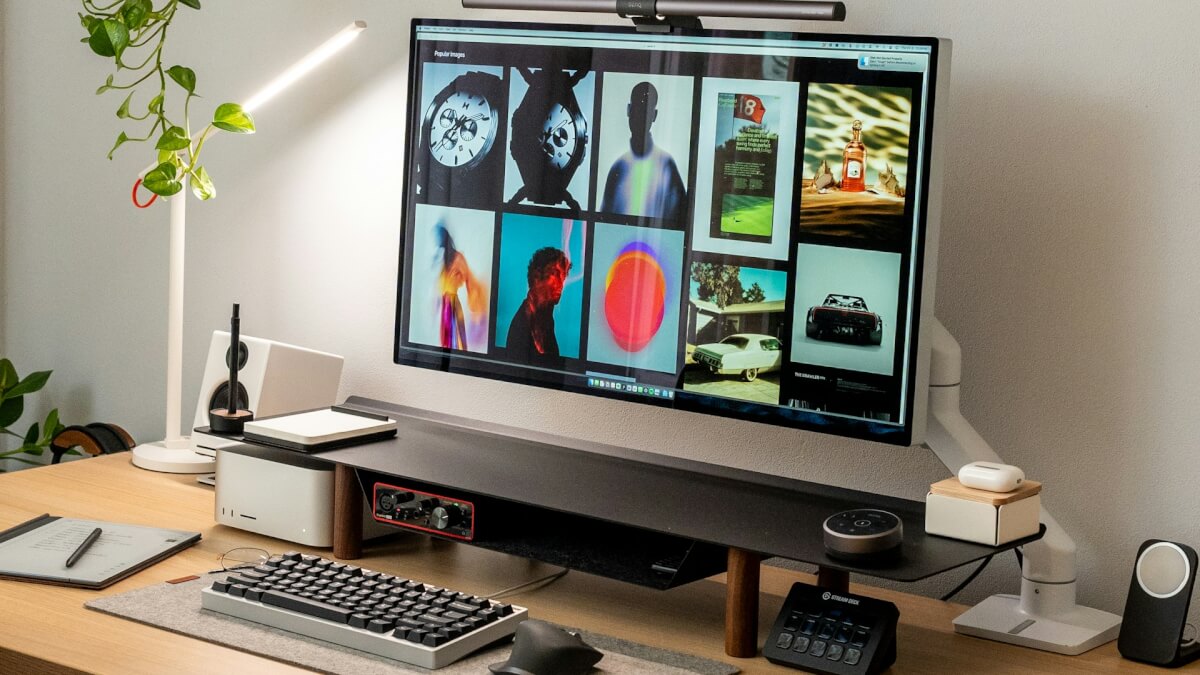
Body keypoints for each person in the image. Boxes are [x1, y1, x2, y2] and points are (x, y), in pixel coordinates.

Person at [600, 82, 687, 223]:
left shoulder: (667, 166)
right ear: (629, 110)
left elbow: (682, 221)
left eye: (645, 110)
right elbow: (602, 221)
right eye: (637, 109)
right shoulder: (618, 168)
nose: (640, 116)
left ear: (654, 115)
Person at [506, 247, 571, 362]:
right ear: (537, 278)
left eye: (563, 276)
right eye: (554, 274)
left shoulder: (544, 317)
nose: (561, 284)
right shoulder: (524, 325)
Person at [434, 224, 488, 351]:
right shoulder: (443, 259)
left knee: (457, 341)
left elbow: (469, 278)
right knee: (446, 342)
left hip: (452, 304)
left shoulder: (457, 258)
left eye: (439, 237)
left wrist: (476, 309)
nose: (437, 241)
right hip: (446, 304)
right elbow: (441, 284)